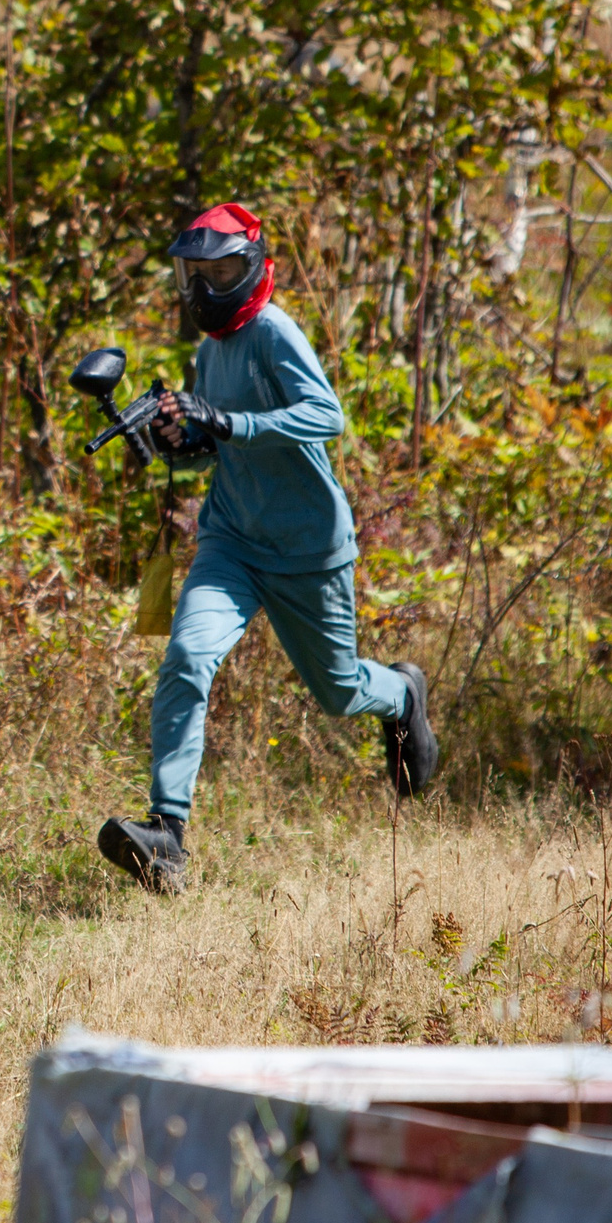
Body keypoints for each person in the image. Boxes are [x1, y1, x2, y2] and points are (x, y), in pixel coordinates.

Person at [96, 203, 438, 893]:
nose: (203, 285)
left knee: (339, 690)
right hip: (231, 539)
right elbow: (217, 445)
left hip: (308, 548)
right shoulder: (209, 347)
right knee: (188, 654)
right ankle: (167, 836)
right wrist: (183, 436)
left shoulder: (273, 331)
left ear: (248, 268)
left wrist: (224, 418)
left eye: (219, 270)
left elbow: (325, 415)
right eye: (195, 272)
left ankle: (402, 693)